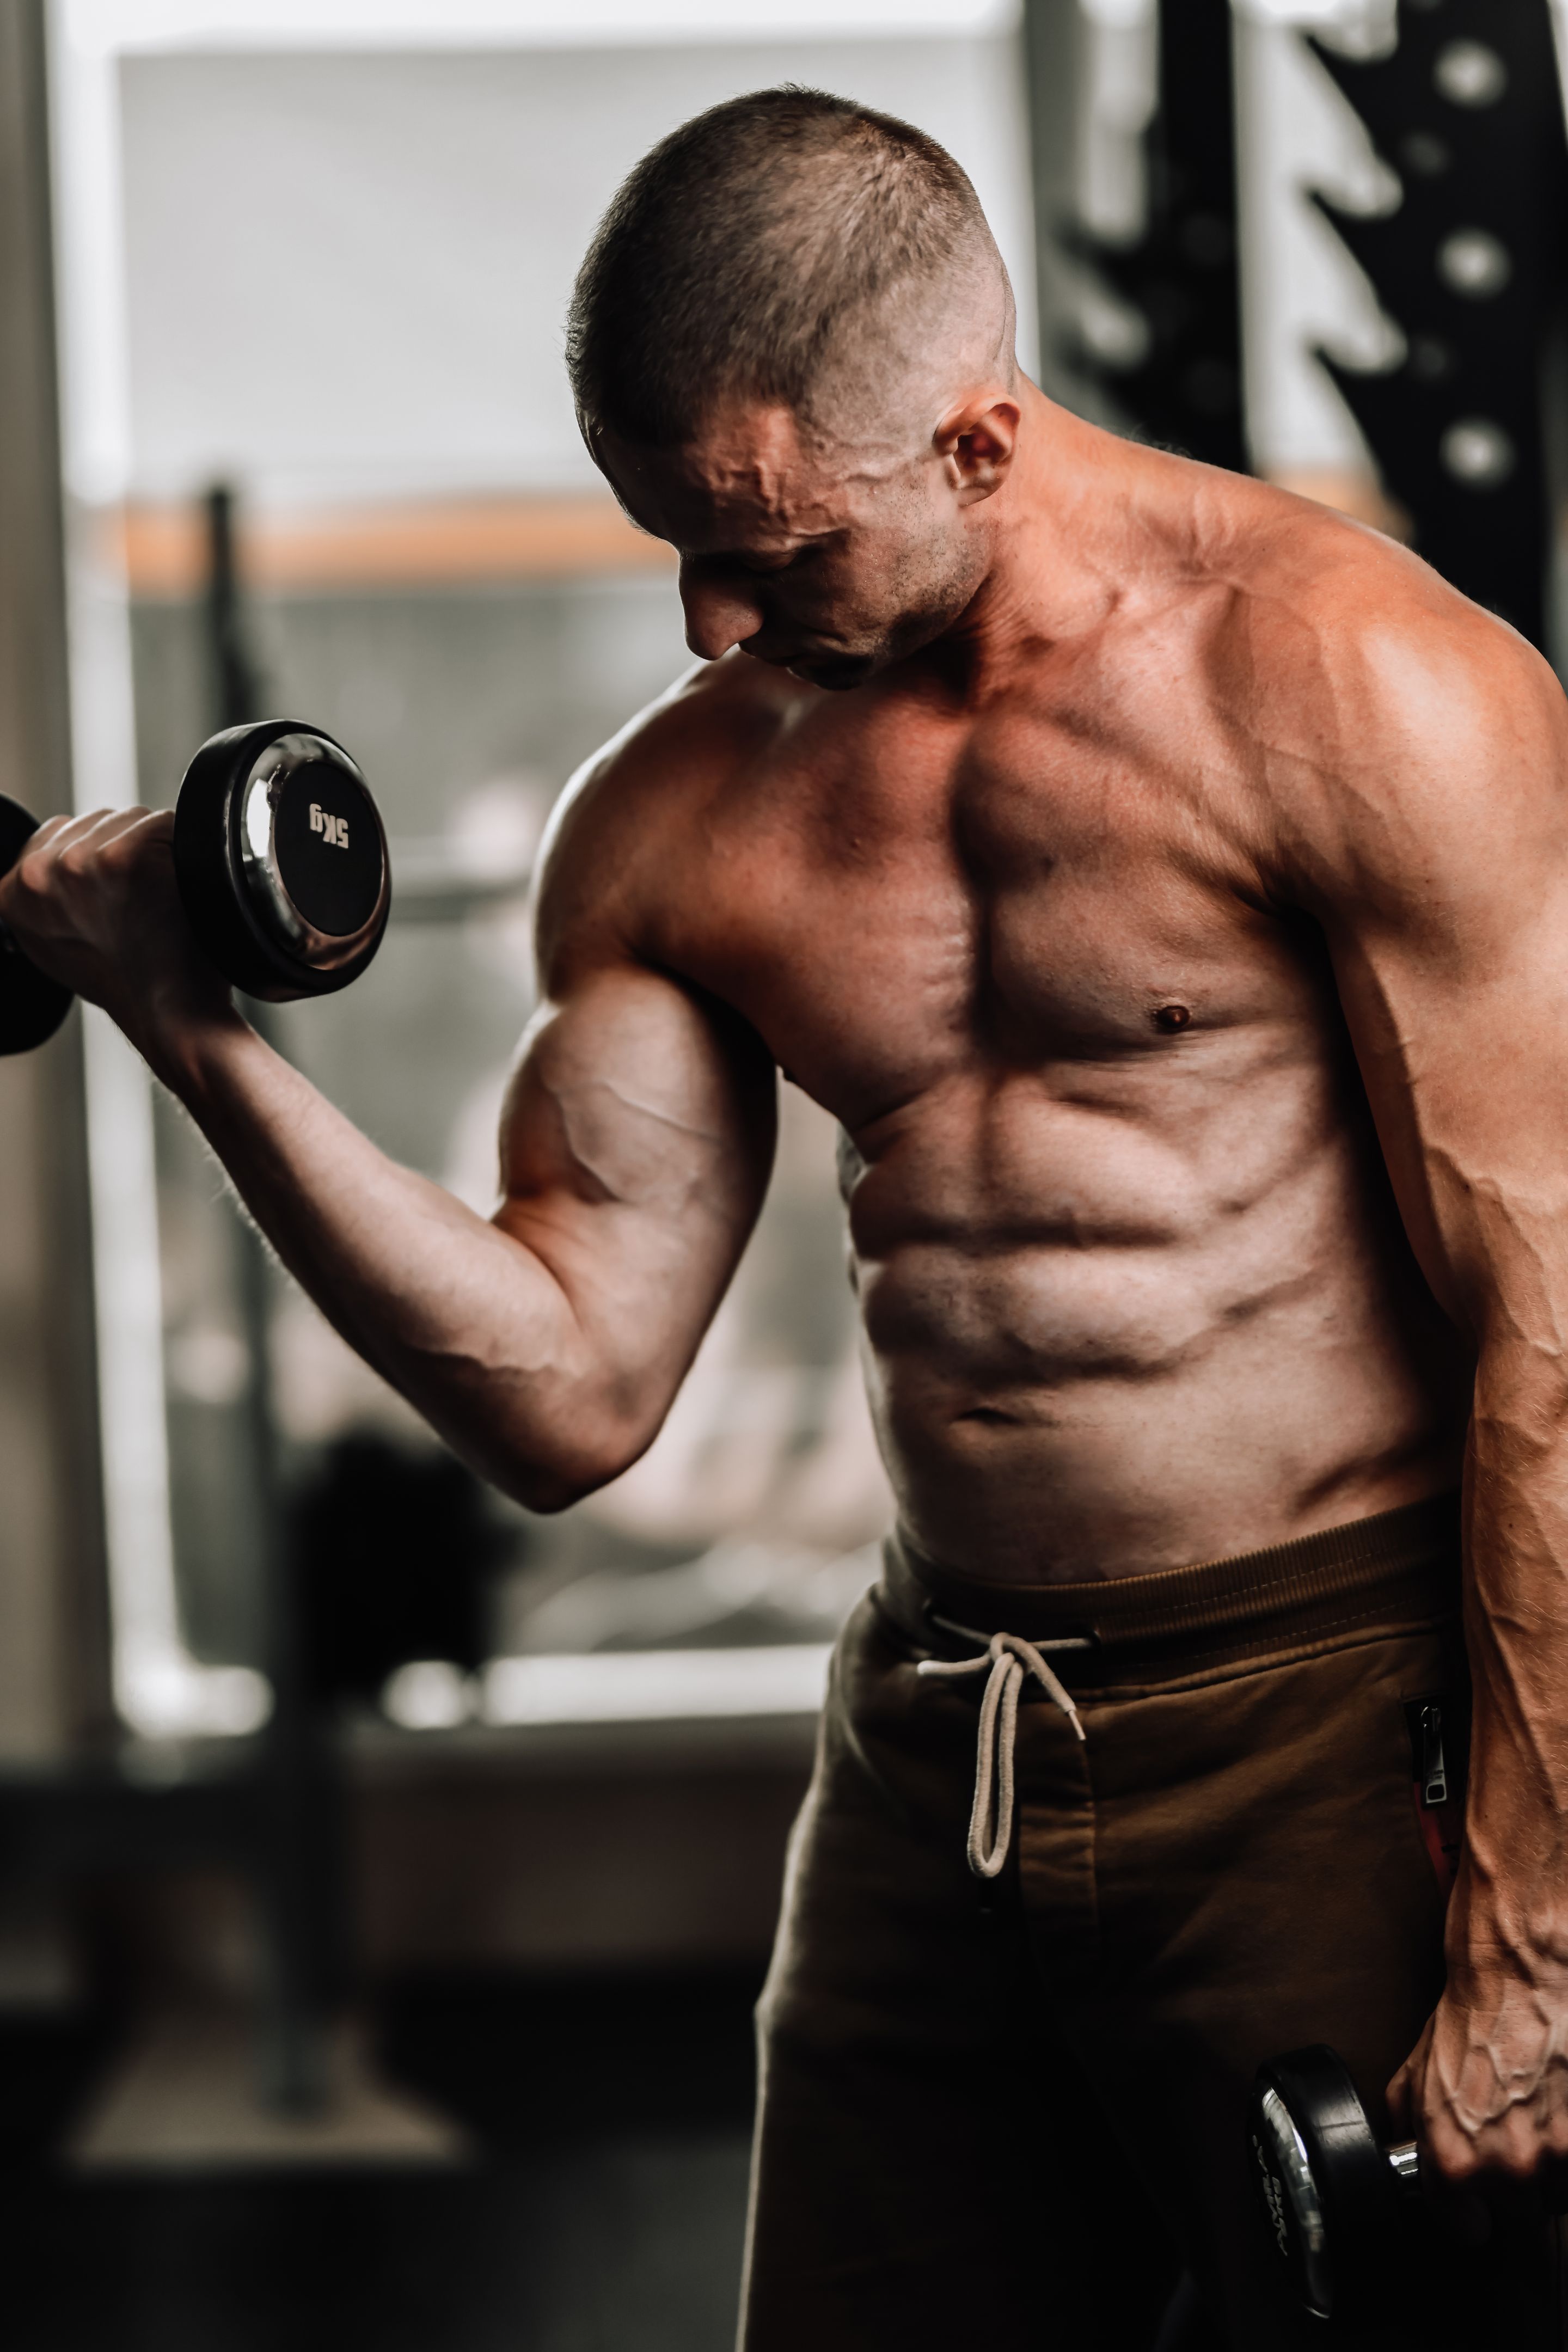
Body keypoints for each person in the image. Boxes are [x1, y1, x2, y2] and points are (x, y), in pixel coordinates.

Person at [9, 83, 1568, 2348]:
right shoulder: (673, 819)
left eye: (767, 543)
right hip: (943, 1739)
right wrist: (198, 1038)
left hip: (1339, 1732)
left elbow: (1556, 1325)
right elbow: (566, 1389)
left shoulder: (1363, 695)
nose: (708, 616)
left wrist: (1534, 1927)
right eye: (665, 537)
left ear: (976, 436)